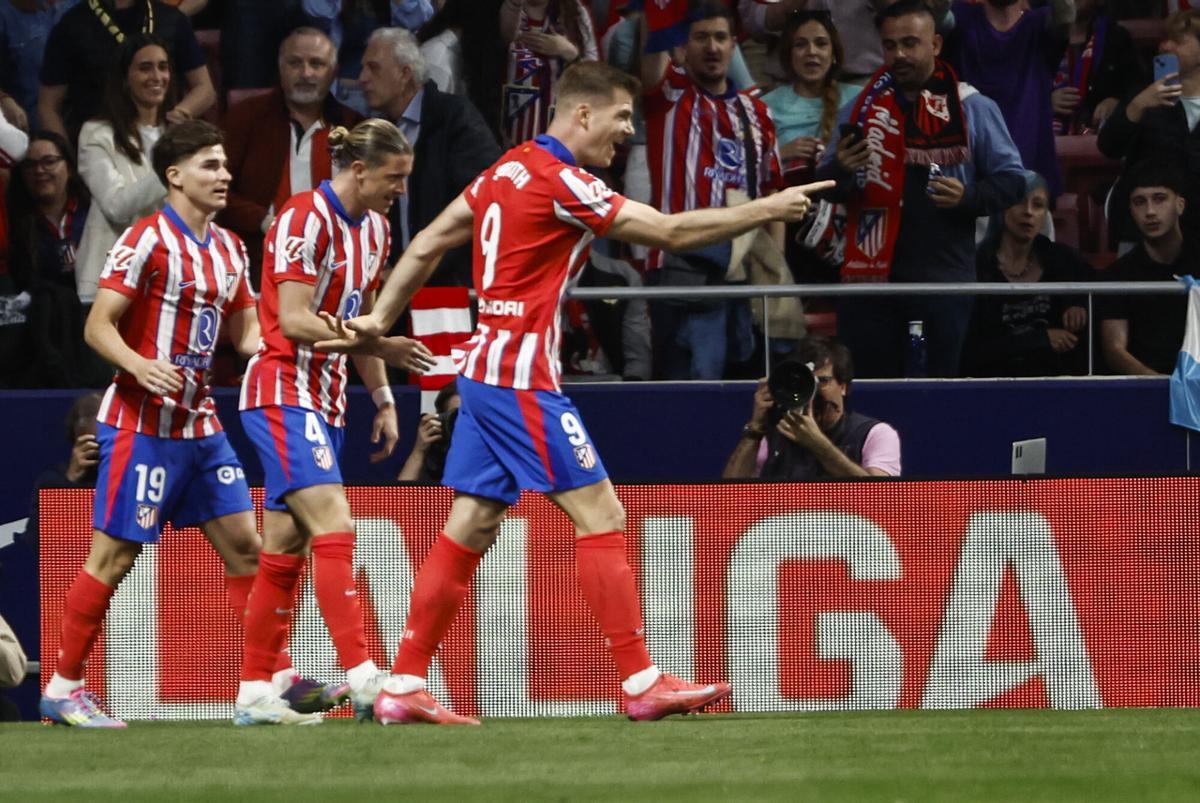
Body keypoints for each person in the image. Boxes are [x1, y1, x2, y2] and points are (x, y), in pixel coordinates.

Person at [313, 60, 831, 724]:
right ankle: (640, 678)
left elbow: (429, 242)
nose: (627, 135)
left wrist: (380, 318)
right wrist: (768, 209)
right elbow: (669, 232)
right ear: (582, 113)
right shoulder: (565, 183)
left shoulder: (504, 171)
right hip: (521, 377)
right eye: (620, 119)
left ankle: (405, 680)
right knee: (602, 513)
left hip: (481, 372)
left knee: (469, 523)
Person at [38, 120, 324, 728]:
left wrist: (306, 341)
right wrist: (142, 365)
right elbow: (98, 326)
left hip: (201, 427)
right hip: (140, 426)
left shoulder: (227, 248)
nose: (224, 175)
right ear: (174, 175)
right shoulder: (145, 240)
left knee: (248, 550)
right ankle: (62, 687)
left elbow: (247, 334)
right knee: (113, 558)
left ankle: (266, 683)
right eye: (209, 166)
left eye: (224, 165)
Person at [236, 118, 437, 723]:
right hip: (280, 389)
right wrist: (382, 349)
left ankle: (253, 693)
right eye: (393, 178)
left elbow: (366, 319)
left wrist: (380, 397)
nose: (400, 190)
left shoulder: (374, 229)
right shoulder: (303, 219)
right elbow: (293, 321)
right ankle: (366, 677)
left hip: (326, 402)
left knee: (285, 548)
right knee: (335, 523)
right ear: (358, 171)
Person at [816, 0, 1026, 378]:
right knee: (869, 395)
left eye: (911, 43)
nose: (899, 54)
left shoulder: (971, 107)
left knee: (937, 396)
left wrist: (969, 198)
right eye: (890, 45)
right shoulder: (860, 109)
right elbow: (827, 186)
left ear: (936, 45)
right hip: (868, 285)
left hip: (942, 280)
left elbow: (1013, 181)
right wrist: (841, 172)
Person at [640, 1, 785, 380]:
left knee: (742, 393)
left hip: (742, 276)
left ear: (734, 45)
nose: (712, 47)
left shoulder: (758, 114)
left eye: (721, 37)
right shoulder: (669, 94)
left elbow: (773, 196)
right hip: (676, 272)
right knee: (681, 398)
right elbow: (651, 62)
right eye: (700, 38)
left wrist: (775, 278)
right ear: (682, 47)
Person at [358, 27, 501, 282]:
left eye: (374, 68)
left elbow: (483, 199)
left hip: (449, 286)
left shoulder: (455, 117)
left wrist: (423, 267)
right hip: (397, 288)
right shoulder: (378, 131)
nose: (362, 78)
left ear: (405, 73)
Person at [220, 26, 362, 282]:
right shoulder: (244, 118)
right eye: (295, 63)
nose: (305, 73)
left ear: (334, 72)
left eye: (316, 64)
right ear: (280, 68)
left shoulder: (355, 126)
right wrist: (263, 221)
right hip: (260, 262)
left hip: (339, 263)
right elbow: (214, 191)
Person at [74, 34, 173, 305]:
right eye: (145, 68)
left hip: (168, 281)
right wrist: (172, 167)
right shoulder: (97, 134)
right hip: (111, 283)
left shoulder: (177, 135)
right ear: (124, 79)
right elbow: (116, 205)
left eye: (163, 67)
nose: (157, 76)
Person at [964, 173, 1094, 377]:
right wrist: (1038, 340)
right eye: (1020, 202)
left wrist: (1080, 302)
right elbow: (972, 350)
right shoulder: (976, 265)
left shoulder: (1065, 260)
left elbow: (1095, 298)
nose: (1029, 212)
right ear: (1002, 207)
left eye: (1038, 205)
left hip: (1057, 384)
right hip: (994, 384)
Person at [943, 0, 1075, 198]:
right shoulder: (962, 19)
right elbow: (936, 19)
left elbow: (1065, 17)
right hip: (972, 176)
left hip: (1030, 170)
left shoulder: (1040, 24)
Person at [722, 334, 901, 480]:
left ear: (844, 386)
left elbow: (881, 496)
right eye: (806, 382)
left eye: (822, 381)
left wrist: (818, 445)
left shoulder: (875, 434)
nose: (813, 391)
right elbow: (728, 496)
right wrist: (755, 429)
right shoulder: (775, 433)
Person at [37, 0, 215, 143]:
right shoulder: (72, 24)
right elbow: (48, 105)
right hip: (98, 145)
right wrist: (66, 161)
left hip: (161, 142)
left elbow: (204, 89)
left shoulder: (171, 19)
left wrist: (181, 113)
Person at [1097, 8, 1200, 251]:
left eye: (1177, 40)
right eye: (1164, 39)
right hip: (1142, 232)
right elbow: (1109, 146)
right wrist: (1138, 106)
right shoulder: (1142, 94)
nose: (1165, 46)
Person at [1099, 160, 1199, 375]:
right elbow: (1115, 350)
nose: (1150, 211)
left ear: (1180, 205)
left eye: (1160, 199)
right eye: (1139, 202)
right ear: (1131, 210)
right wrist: (1162, 386)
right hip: (1148, 391)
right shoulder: (1117, 276)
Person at [500, 0, 598, 145]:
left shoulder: (574, 11)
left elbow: (595, 74)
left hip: (560, 127)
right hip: (508, 127)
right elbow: (502, 40)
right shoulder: (508, 8)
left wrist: (569, 52)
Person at [22, 391, 103, 555]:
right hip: (73, 574)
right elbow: (35, 545)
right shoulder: (52, 481)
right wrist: (71, 482)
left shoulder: (134, 479)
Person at [1051, 0, 1145, 135]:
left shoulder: (1116, 37)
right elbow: (1022, 88)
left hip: (1101, 138)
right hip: (1048, 139)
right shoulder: (1041, 38)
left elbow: (1138, 87)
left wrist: (1116, 102)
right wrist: (1046, 100)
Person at [396, 378, 459, 482]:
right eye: (456, 415)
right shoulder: (435, 454)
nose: (464, 422)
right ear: (443, 419)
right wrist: (419, 451)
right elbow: (401, 497)